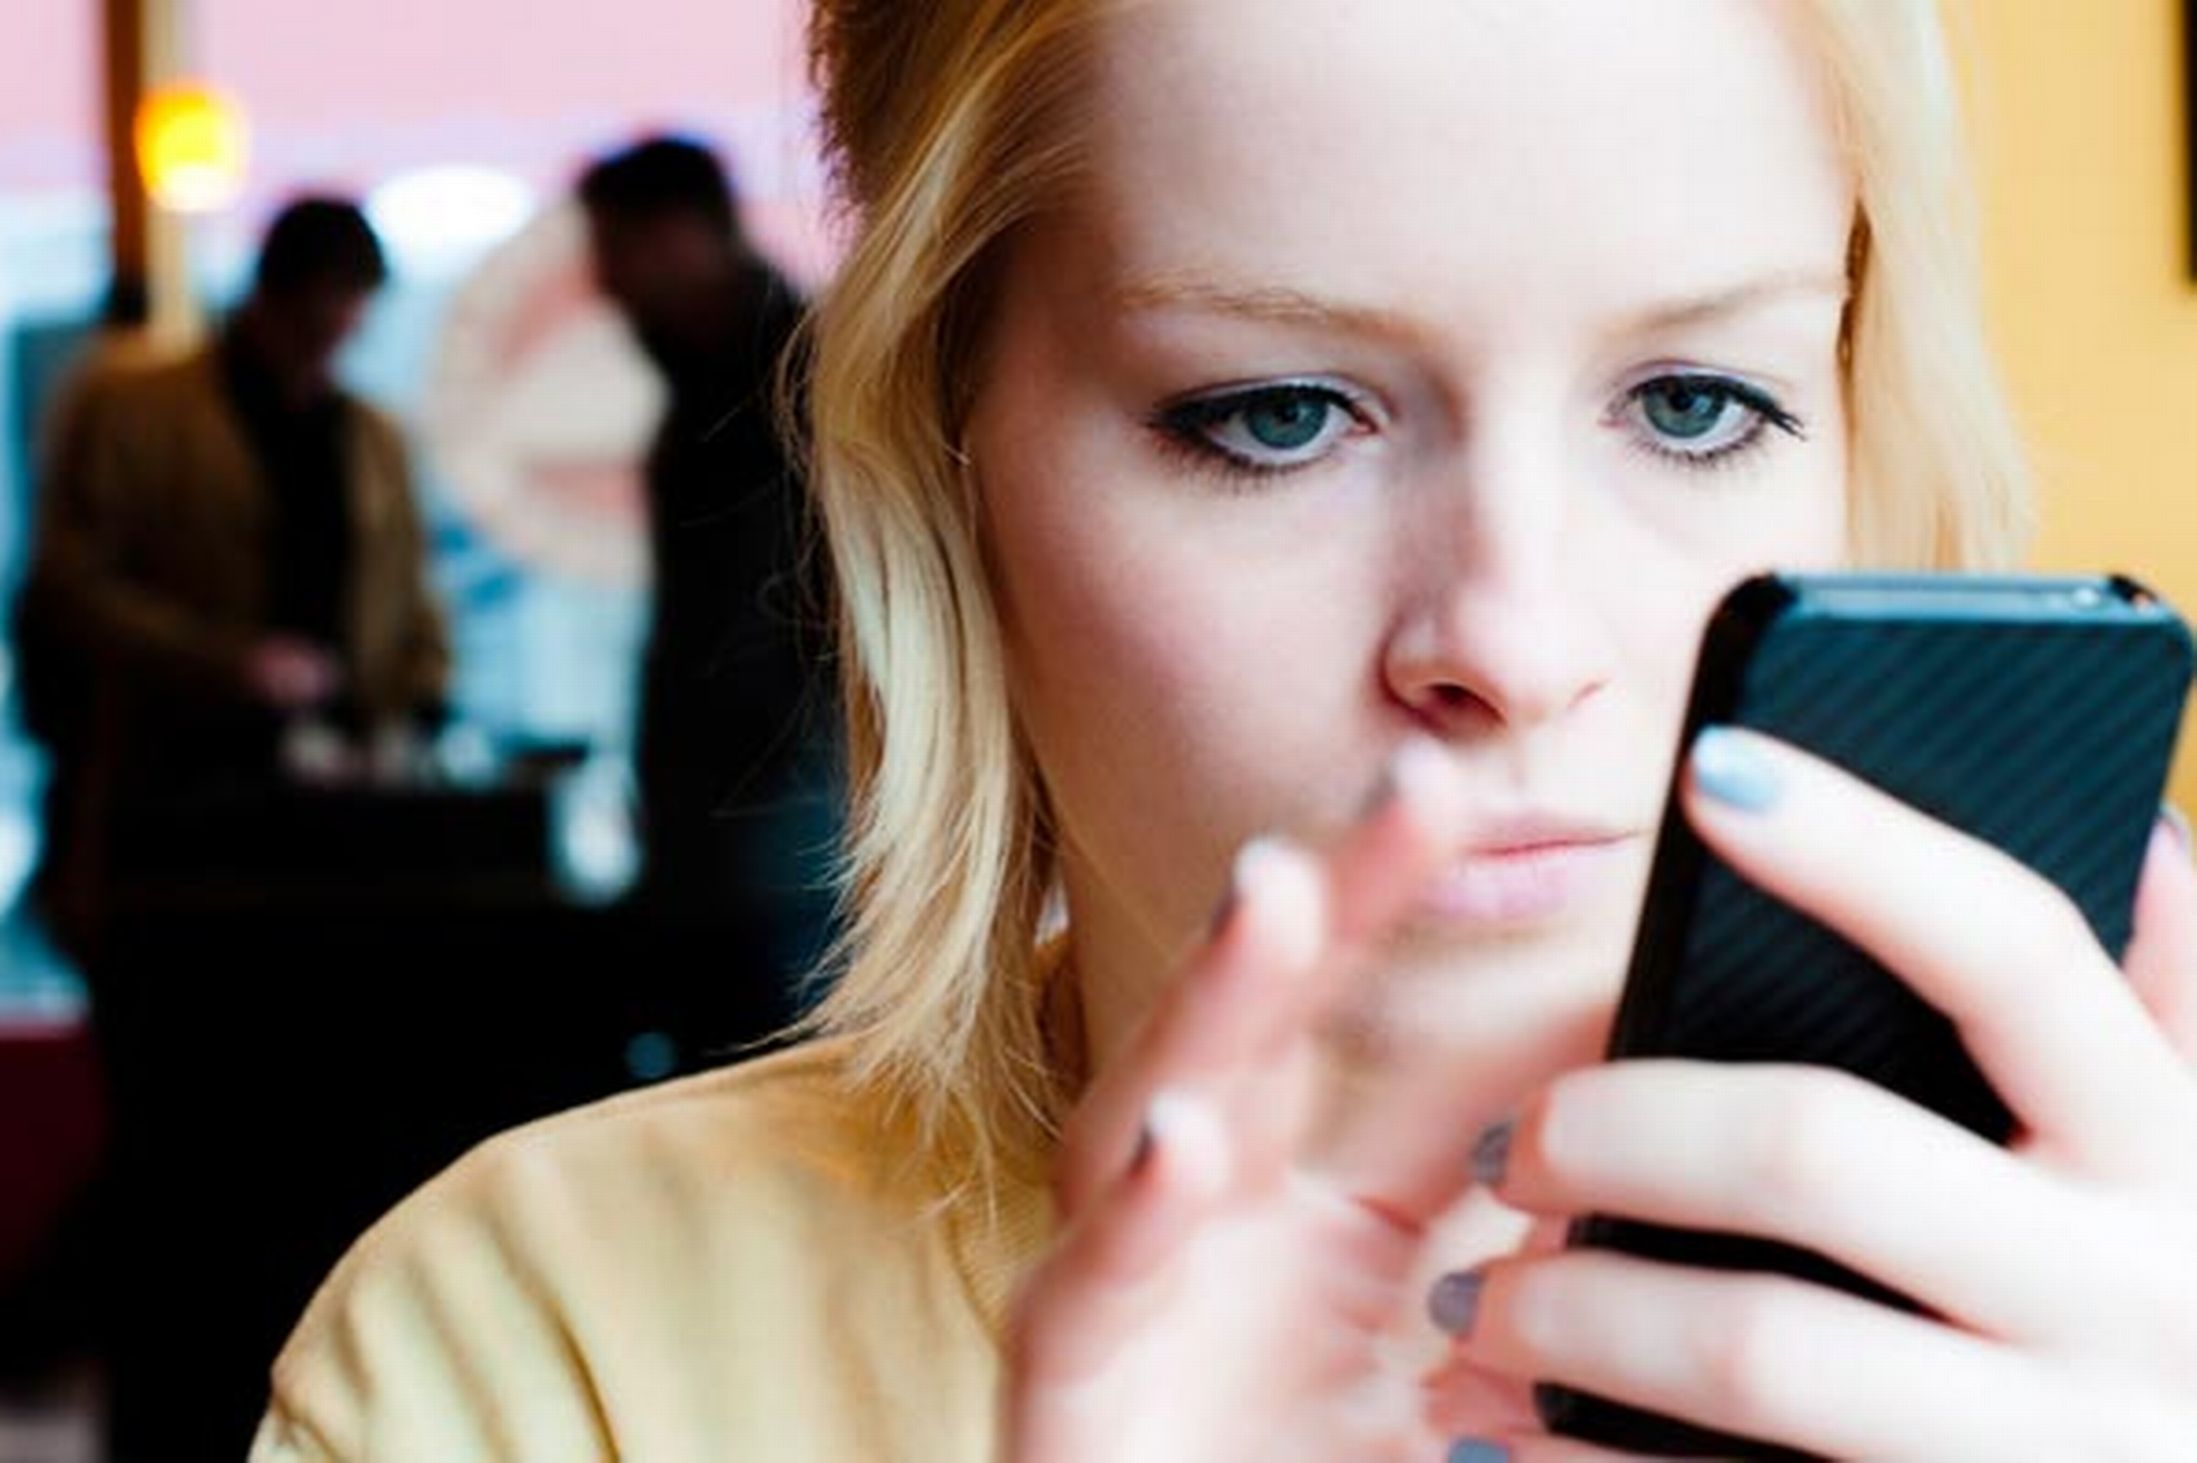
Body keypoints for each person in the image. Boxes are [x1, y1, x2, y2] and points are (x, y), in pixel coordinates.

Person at [252, 2, 2197, 1457]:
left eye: (1694, 402)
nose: (1513, 642)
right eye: (1276, 411)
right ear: (949, 473)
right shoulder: (530, 1346)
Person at [16, 197, 449, 954]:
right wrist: (228, 661)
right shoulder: (138, 411)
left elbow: (413, 602)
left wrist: (407, 722)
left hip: (334, 800)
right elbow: (68, 588)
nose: (331, 343)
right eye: (322, 319)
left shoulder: (370, 436)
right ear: (278, 298)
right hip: (168, 799)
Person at [579, 137, 840, 1000]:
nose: (604, 282)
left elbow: (766, 630)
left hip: (785, 836)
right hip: (738, 832)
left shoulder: (803, 385)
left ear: (684, 236)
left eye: (614, 249)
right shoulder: (714, 383)